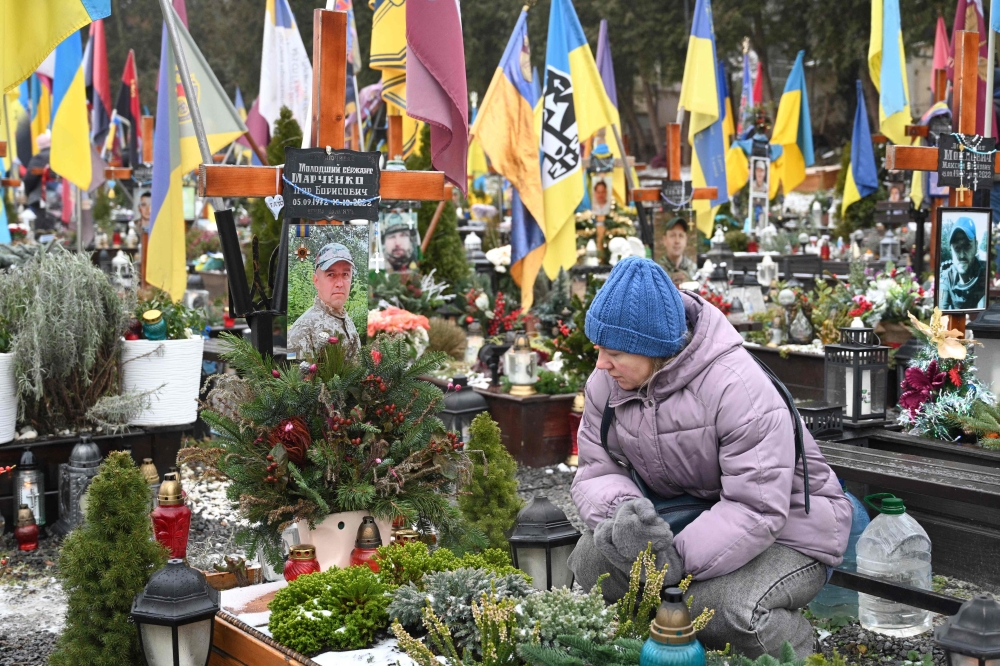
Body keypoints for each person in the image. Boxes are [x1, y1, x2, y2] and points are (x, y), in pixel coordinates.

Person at [568, 257, 852, 658]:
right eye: (598, 349)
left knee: (725, 609)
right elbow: (597, 470)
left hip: (789, 531)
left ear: (655, 350)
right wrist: (631, 521)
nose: (600, 364)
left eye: (613, 352)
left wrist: (673, 561)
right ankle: (668, 639)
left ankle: (802, 651)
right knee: (591, 558)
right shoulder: (607, 383)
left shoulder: (736, 387)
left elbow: (756, 508)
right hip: (689, 518)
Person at [287, 243, 361, 361]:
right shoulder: (302, 330)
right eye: (331, 275)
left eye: (345, 274)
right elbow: (297, 378)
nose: (340, 284)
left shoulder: (346, 320)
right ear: (316, 281)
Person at [939, 216, 987, 310]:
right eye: (957, 248)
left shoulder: (985, 274)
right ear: (951, 251)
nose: (961, 255)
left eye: (967, 246)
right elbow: (941, 313)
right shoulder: (946, 277)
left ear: (976, 246)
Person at [656, 217, 697, 285]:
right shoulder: (657, 270)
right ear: (664, 240)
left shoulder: (694, 269)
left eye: (681, 236)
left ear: (686, 240)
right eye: (672, 235)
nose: (677, 241)